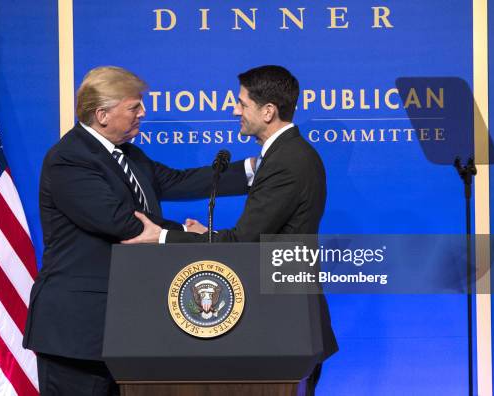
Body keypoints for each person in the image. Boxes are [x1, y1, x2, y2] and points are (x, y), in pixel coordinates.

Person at [22, 66, 249, 395]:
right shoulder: (69, 159)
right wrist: (189, 236)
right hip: (78, 331)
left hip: (124, 326)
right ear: (102, 114)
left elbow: (178, 181)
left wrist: (257, 170)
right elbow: (123, 224)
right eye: (134, 106)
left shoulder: (128, 155)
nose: (143, 112)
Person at [123, 65, 338, 395]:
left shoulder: (288, 160)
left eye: (242, 103)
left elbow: (244, 241)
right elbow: (261, 232)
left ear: (268, 111)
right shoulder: (286, 155)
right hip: (286, 320)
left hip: (285, 321)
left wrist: (163, 236)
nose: (234, 109)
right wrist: (199, 236)